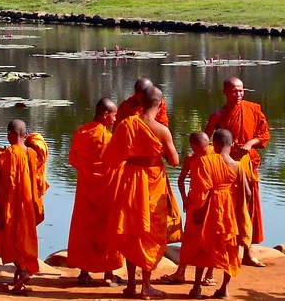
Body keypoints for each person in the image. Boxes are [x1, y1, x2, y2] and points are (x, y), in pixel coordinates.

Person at [105, 87, 181, 299]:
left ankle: (131, 284)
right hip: (153, 179)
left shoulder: (126, 124)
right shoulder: (162, 130)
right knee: (151, 232)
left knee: (132, 230)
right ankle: (145, 285)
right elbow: (175, 161)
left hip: (130, 178)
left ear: (141, 102)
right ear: (160, 104)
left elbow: (112, 158)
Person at [205, 77, 269, 267]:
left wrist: (250, 143)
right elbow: (206, 139)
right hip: (226, 168)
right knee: (227, 209)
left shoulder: (253, 109)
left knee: (249, 207)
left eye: (241, 90)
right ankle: (223, 253)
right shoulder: (218, 115)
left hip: (247, 165)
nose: (239, 94)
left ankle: (248, 253)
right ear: (225, 92)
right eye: (234, 91)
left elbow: (264, 134)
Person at [185, 129, 250, 300]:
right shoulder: (238, 166)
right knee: (229, 247)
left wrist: (197, 209)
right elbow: (248, 194)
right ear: (232, 144)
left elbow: (200, 192)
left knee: (203, 244)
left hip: (209, 208)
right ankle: (224, 289)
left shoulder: (205, 161)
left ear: (215, 143)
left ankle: (197, 288)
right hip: (229, 210)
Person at [0, 120, 49, 295]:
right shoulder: (31, 153)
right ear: (25, 134)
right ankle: (21, 274)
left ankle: (22, 271)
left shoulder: (7, 154)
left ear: (10, 134)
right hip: (28, 204)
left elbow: (4, 181)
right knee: (25, 236)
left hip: (11, 205)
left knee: (10, 238)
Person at [68, 98, 124, 286]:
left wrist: (89, 173)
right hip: (107, 192)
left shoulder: (80, 133)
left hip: (86, 190)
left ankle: (84, 274)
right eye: (114, 115)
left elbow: (74, 161)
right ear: (105, 114)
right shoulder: (108, 139)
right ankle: (108, 275)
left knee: (85, 229)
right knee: (108, 229)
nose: (115, 119)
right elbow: (118, 164)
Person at [160, 131, 214, 286]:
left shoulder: (215, 156)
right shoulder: (191, 159)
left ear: (209, 144)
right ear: (193, 148)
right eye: (199, 150)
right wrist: (184, 199)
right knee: (189, 238)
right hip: (194, 202)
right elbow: (181, 179)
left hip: (212, 205)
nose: (202, 153)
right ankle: (180, 272)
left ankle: (209, 274)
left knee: (210, 239)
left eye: (204, 149)